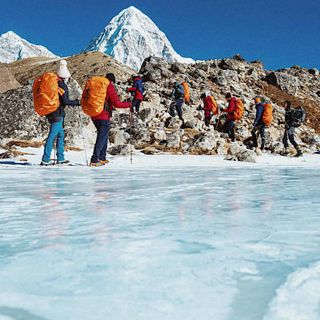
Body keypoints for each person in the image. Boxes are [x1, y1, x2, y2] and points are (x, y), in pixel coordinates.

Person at [41, 60, 80, 166]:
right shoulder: (62, 86)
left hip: (50, 112)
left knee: (60, 135)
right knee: (52, 135)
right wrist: (77, 102)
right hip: (57, 113)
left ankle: (61, 157)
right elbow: (66, 101)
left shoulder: (53, 84)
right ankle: (45, 159)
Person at [90, 73, 132, 166]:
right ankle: (94, 159)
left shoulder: (97, 86)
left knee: (104, 135)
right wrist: (129, 104)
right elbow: (116, 103)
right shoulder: (109, 86)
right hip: (103, 115)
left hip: (93, 113)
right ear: (112, 81)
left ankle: (102, 157)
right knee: (102, 136)